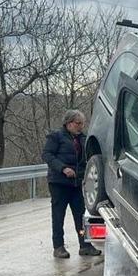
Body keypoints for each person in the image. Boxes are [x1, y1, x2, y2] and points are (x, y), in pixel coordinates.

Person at [42, 110, 101, 258]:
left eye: (82, 123)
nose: (81, 126)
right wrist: (63, 168)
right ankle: (58, 246)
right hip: (59, 183)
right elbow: (47, 155)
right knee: (58, 216)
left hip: (77, 183)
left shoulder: (83, 139)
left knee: (80, 216)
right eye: (78, 123)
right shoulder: (56, 137)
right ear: (68, 123)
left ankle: (85, 245)